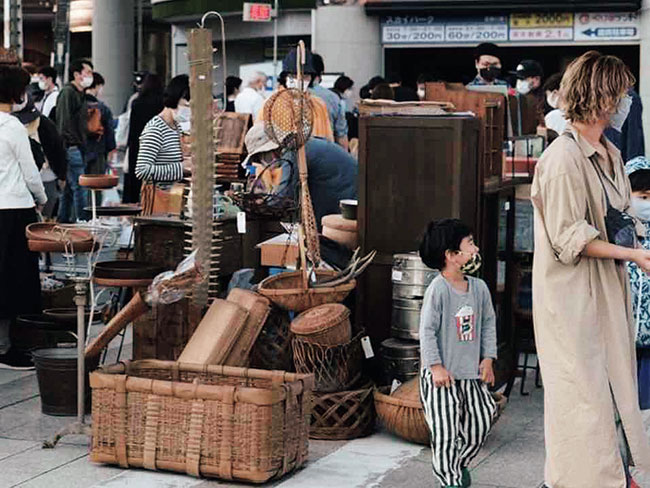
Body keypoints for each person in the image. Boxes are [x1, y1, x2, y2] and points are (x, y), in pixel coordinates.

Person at [531, 51, 650, 488]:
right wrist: (633, 255)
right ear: (602, 98)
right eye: (621, 94)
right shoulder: (563, 159)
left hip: (606, 293)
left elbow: (618, 215)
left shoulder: (610, 152)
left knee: (613, 397)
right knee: (583, 405)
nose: (627, 103)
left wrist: (633, 240)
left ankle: (617, 476)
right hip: (574, 302)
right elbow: (569, 239)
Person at [417, 218, 497, 488]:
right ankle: (450, 482)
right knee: (445, 433)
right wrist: (435, 367)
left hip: (471, 374)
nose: (475, 249)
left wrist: (488, 359)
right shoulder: (437, 290)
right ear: (451, 256)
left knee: (482, 420)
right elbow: (426, 331)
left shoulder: (480, 288)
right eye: (470, 244)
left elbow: (488, 323)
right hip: (442, 377)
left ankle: (458, 465)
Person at [0, 65, 47, 369]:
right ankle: (8, 349)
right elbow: (30, 173)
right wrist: (41, 200)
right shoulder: (13, 126)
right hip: (14, 211)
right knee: (15, 282)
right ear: (16, 92)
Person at [243, 122, 357, 228]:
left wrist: (258, 205)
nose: (262, 162)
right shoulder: (302, 144)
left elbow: (282, 198)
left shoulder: (295, 153)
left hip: (352, 204)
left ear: (269, 150)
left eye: (259, 158)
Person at [257, 48, 334, 142]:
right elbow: (259, 140)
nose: (299, 80)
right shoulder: (271, 104)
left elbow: (329, 139)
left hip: (315, 154)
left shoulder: (318, 104)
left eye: (305, 76)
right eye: (293, 76)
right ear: (285, 77)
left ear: (312, 78)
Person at [625, 156, 650, 412]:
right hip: (622, 330)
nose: (646, 202)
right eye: (640, 196)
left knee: (646, 402)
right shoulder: (619, 233)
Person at [12, 101, 67, 219]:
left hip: (47, 174)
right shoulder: (13, 128)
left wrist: (62, 175)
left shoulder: (46, 125)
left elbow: (58, 150)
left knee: (49, 202)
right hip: (23, 180)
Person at [135, 75, 190, 187]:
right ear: (175, 98)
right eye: (186, 105)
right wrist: (181, 168)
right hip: (160, 199)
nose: (189, 111)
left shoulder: (176, 127)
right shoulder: (156, 128)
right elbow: (142, 170)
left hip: (173, 196)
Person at [56, 58, 93, 223]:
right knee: (80, 186)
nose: (90, 76)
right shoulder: (68, 92)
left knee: (71, 189)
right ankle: (83, 221)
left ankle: (63, 219)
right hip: (71, 147)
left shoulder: (80, 93)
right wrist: (71, 143)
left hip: (78, 146)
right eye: (88, 73)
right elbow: (63, 123)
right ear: (77, 74)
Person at [124, 73, 164, 204]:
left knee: (137, 180)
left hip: (138, 145)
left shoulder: (137, 103)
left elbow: (133, 130)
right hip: (158, 146)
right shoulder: (162, 104)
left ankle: (136, 204)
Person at [84, 72, 116, 207]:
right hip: (98, 151)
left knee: (79, 186)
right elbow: (109, 132)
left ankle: (79, 216)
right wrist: (110, 150)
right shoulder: (102, 108)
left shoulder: (78, 104)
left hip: (80, 150)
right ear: (97, 86)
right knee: (96, 186)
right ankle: (93, 215)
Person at [310, 54, 348, 150]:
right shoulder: (333, 98)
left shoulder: (287, 96)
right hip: (326, 153)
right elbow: (341, 136)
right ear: (321, 73)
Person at [604, 88, 645, 162]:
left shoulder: (629, 97)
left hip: (619, 161)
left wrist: (632, 169)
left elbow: (634, 137)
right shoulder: (598, 94)